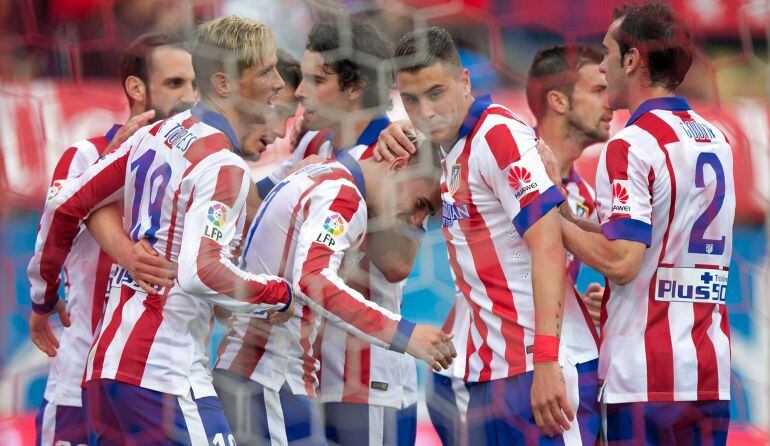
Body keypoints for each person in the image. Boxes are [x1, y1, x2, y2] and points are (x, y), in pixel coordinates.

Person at [27, 16, 296, 444]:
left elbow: (65, 204)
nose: (279, 83)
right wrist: (278, 294)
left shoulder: (155, 135)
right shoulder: (222, 165)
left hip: (105, 371)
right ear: (224, 85)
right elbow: (201, 273)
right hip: (163, 373)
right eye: (266, 71)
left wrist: (43, 298)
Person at [214, 20, 431, 446]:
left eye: (317, 80)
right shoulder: (314, 146)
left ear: (355, 87)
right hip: (307, 370)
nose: (298, 91)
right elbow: (255, 197)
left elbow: (396, 264)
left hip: (366, 384)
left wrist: (343, 185)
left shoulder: (392, 154)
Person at [384, 26, 600, 444]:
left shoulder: (497, 135)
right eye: (411, 99)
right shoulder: (452, 149)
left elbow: (548, 245)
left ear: (465, 82)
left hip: (541, 369)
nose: (425, 111)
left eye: (436, 92)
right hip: (493, 371)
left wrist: (547, 362)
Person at [555, 2, 734, 444]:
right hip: (710, 373)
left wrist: (541, 218)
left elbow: (622, 261)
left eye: (607, 53)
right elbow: (652, 232)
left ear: (632, 59)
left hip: (645, 380)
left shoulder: (631, 144)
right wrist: (564, 211)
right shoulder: (717, 138)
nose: (601, 67)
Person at [29, 31, 195, 446]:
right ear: (136, 88)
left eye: (195, 84)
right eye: (176, 84)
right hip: (77, 386)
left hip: (155, 384)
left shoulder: (199, 165)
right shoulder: (85, 156)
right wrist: (42, 301)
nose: (191, 97)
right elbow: (52, 229)